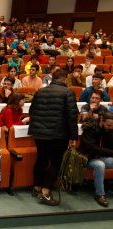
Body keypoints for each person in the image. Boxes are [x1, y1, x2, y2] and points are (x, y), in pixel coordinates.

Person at [29, 69, 78, 205]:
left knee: (41, 160)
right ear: (64, 79)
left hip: (40, 133)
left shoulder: (40, 91)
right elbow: (72, 116)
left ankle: (37, 187)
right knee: (55, 162)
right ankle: (46, 191)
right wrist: (73, 136)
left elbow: (32, 111)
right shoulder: (68, 93)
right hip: (58, 134)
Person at [79, 111, 113, 207]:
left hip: (101, 156)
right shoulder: (90, 129)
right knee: (99, 165)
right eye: (109, 125)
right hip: (87, 157)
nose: (111, 128)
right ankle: (100, 195)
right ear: (102, 120)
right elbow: (92, 148)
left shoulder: (109, 130)